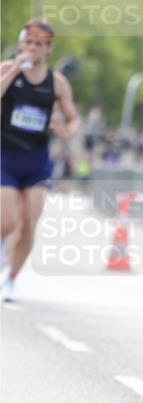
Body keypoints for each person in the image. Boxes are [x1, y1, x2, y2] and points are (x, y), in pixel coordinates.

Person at [0, 21, 79, 301]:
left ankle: (10, 278)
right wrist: (14, 70)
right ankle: (3, 249)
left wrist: (68, 130)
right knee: (7, 221)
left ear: (48, 50)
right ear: (21, 45)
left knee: (29, 223)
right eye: (28, 42)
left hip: (36, 160)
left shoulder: (57, 83)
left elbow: (73, 117)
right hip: (5, 156)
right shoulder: (7, 69)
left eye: (39, 44)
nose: (32, 48)